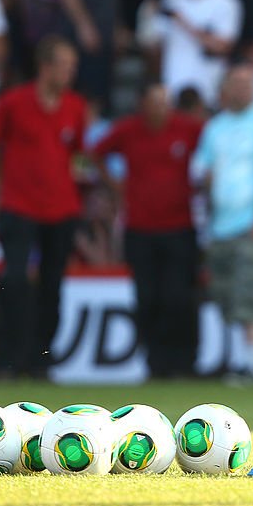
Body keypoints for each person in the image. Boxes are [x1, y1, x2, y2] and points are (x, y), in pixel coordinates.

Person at [90, 83, 203, 378]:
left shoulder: (189, 129)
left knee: (179, 297)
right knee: (148, 297)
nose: (160, 109)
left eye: (165, 103)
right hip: (140, 228)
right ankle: (156, 363)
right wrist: (115, 185)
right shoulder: (128, 130)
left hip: (180, 226)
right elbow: (96, 153)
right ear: (143, 104)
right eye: (155, 102)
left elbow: (212, 154)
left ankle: (185, 362)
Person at [191, 64, 253, 385]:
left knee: (251, 294)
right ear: (225, 89)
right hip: (222, 227)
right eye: (238, 83)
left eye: (249, 83)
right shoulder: (215, 127)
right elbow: (203, 174)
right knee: (227, 297)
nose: (245, 89)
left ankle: (250, 365)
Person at [0, 35, 84, 378]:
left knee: (52, 285)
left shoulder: (75, 106)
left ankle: (40, 359)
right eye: (65, 65)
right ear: (45, 66)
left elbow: (75, 152)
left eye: (73, 66)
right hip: (18, 204)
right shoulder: (13, 103)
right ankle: (9, 357)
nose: (70, 72)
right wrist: (1, 188)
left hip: (61, 208)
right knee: (14, 280)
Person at [143, 0, 242, 110]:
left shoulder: (225, 1)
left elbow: (222, 47)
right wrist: (147, 21)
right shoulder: (171, 1)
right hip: (174, 88)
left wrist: (184, 23)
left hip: (210, 89)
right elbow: (154, 47)